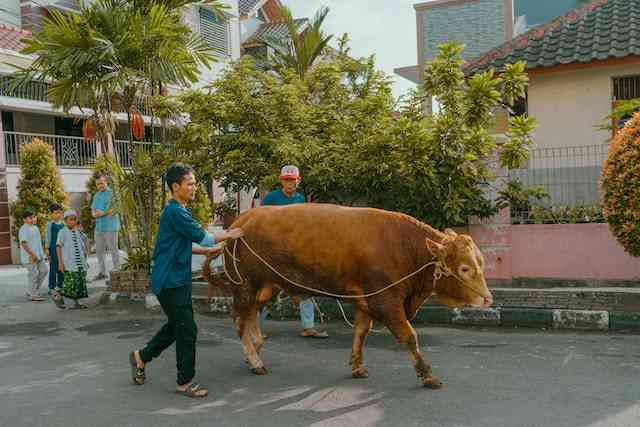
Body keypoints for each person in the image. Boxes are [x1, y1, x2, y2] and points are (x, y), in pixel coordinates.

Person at [129, 163, 243, 399]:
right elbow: (204, 237)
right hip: (169, 280)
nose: (194, 187)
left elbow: (182, 244)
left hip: (176, 279)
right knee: (187, 329)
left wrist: (205, 252)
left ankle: (141, 357)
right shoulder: (175, 212)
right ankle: (184, 382)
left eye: (194, 182)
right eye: (189, 183)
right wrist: (230, 234)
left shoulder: (178, 210)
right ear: (175, 186)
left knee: (176, 326)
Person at [261, 165, 328, 339]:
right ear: (281, 181)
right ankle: (255, 328)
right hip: (274, 249)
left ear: (298, 181)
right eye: (286, 180)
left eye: (292, 180)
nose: (289, 183)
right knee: (266, 288)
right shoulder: (271, 198)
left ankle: (308, 327)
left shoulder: (300, 198)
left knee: (306, 287)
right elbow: (260, 221)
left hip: (296, 250)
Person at [56, 210, 89, 309]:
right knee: (70, 284)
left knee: (78, 284)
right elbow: (58, 247)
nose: (73, 222)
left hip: (79, 264)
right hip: (69, 263)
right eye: (71, 220)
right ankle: (57, 295)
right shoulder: (62, 232)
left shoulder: (77, 231)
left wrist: (85, 260)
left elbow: (84, 244)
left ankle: (77, 303)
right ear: (65, 221)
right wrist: (60, 263)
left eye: (75, 219)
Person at [91, 173, 120, 281]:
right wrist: (94, 214)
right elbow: (93, 210)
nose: (100, 186)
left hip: (111, 226)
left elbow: (115, 209)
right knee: (99, 251)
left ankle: (117, 270)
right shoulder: (96, 195)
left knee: (113, 249)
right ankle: (102, 272)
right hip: (99, 227)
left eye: (102, 183)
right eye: (98, 184)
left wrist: (101, 213)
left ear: (106, 182)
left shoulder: (113, 193)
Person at [19, 209, 47, 302]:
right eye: (30, 218)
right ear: (24, 220)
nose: (33, 219)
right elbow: (24, 243)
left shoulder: (36, 228)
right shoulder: (24, 229)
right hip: (29, 257)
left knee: (44, 270)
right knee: (33, 274)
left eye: (34, 217)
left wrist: (42, 254)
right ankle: (33, 294)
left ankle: (31, 290)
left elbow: (38, 243)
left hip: (39, 256)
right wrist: (32, 255)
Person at [44, 203, 66, 308]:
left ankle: (61, 285)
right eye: (56, 213)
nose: (59, 215)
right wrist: (47, 249)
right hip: (53, 248)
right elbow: (47, 237)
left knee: (61, 267)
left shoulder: (63, 224)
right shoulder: (50, 224)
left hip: (62, 249)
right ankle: (51, 287)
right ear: (51, 214)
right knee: (53, 267)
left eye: (60, 213)